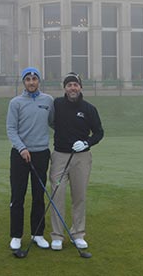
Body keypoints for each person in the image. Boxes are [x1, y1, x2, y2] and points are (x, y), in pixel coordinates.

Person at [49, 72, 104, 251]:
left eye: (75, 85)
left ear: (80, 87)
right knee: (57, 194)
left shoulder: (89, 109)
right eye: (69, 85)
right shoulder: (57, 104)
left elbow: (99, 132)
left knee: (79, 196)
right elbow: (51, 122)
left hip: (81, 158)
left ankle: (78, 234)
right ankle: (57, 236)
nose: (72, 88)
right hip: (59, 157)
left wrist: (87, 142)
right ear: (64, 88)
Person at [6, 67, 54, 251]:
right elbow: (11, 129)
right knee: (17, 196)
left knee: (38, 196)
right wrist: (22, 148)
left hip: (41, 154)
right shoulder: (15, 103)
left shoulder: (48, 100)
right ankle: (16, 235)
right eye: (28, 79)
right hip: (20, 155)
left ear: (39, 81)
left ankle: (37, 234)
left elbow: (53, 122)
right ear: (24, 82)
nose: (31, 82)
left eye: (34, 79)